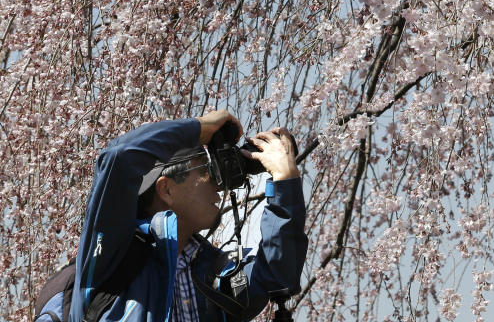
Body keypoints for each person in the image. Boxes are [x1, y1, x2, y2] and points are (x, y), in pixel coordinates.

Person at [49, 110, 308, 322]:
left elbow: (278, 276)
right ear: (167, 189)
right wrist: (198, 128)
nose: (218, 184)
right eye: (206, 169)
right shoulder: (112, 256)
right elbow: (119, 158)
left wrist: (285, 180)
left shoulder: (214, 275)